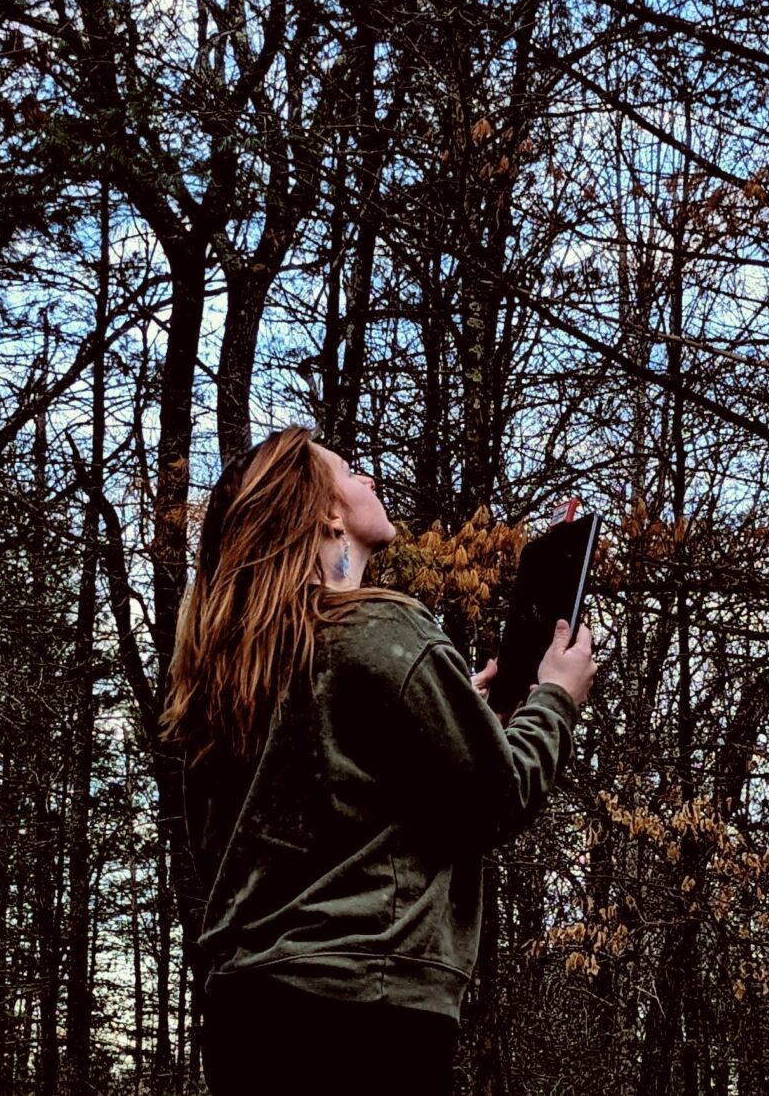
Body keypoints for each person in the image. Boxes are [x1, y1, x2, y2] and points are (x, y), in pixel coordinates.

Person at [165, 424, 598, 1096]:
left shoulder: (223, 677)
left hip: (241, 1015)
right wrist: (556, 698)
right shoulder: (383, 632)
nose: (368, 479)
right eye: (348, 470)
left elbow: (259, 830)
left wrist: (456, 715)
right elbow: (500, 794)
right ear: (324, 509)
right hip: (366, 1013)